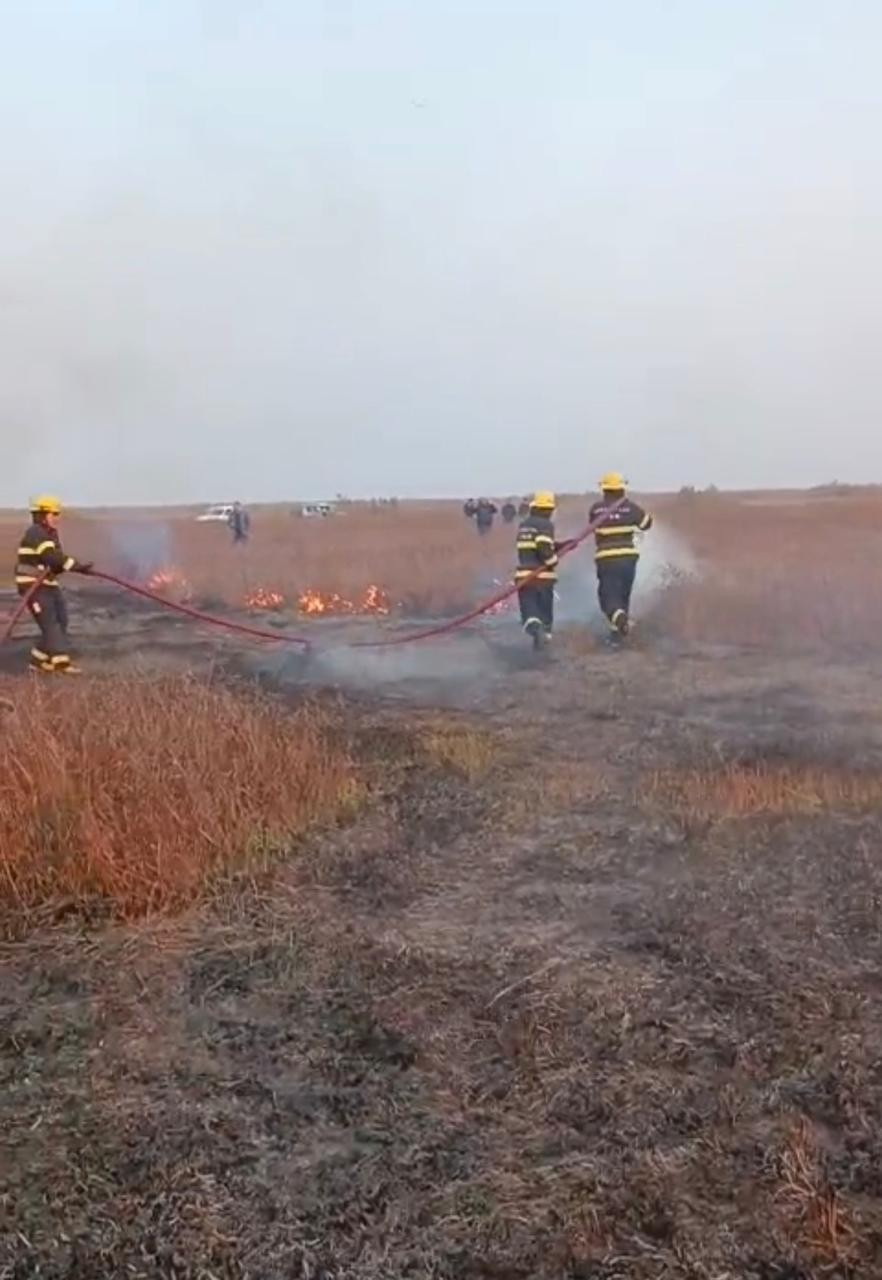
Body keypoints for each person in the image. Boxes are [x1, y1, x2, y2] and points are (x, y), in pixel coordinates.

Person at [15, 494, 92, 673]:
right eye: (54, 514)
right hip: (32, 585)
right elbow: (52, 558)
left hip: (48, 584)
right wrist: (77, 566)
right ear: (42, 515)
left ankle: (38, 660)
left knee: (61, 620)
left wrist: (75, 567)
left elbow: (56, 563)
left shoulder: (50, 535)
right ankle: (61, 662)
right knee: (50, 623)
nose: (58, 518)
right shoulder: (36, 533)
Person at [589, 472, 653, 643]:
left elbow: (593, 528)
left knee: (608, 598)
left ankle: (621, 624)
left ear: (604, 490)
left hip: (606, 559)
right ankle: (618, 634)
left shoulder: (596, 509)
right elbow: (647, 524)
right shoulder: (631, 508)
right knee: (623, 596)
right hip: (628, 558)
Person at [515, 490, 559, 649]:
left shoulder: (524, 525)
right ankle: (543, 644)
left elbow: (532, 546)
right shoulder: (545, 525)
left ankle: (537, 634)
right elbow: (543, 547)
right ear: (548, 510)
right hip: (543, 578)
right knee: (545, 614)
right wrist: (553, 561)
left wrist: (560, 545)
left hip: (524, 578)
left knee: (530, 613)